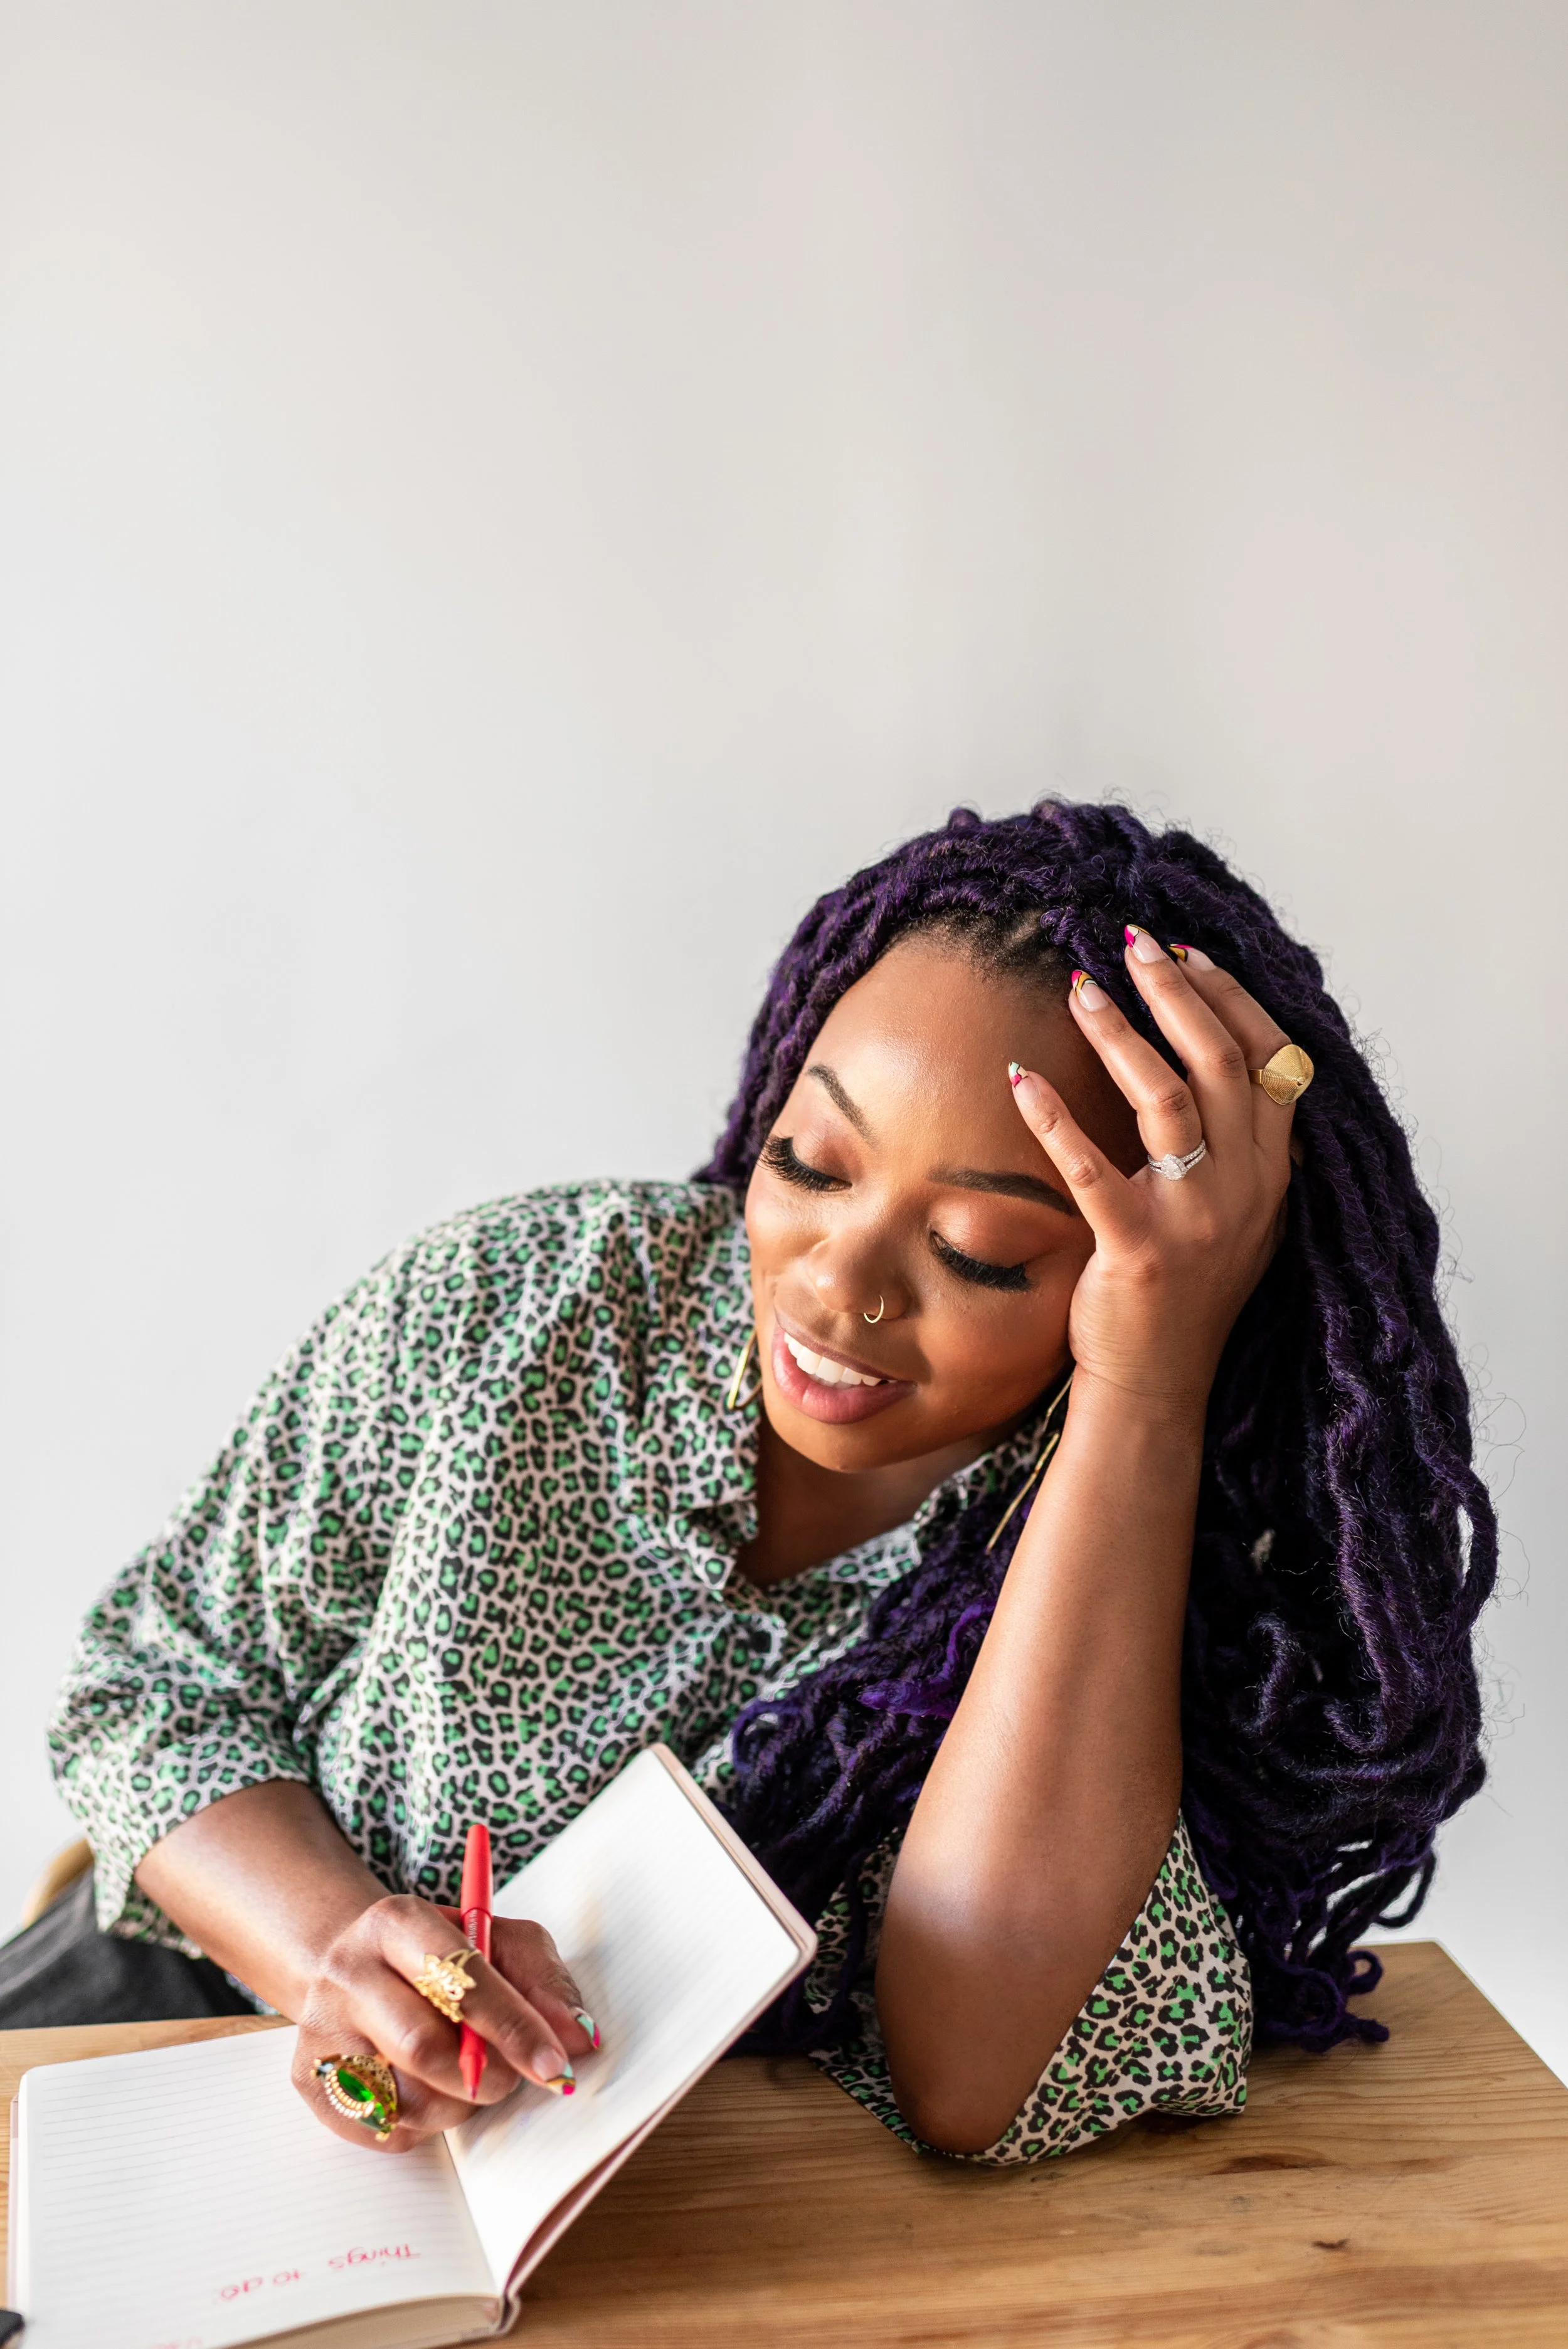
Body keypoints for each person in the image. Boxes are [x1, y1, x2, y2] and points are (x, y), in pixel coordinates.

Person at [18, 799, 1493, 2166]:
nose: (834, 1281)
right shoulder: (530, 1302)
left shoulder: (1164, 1581)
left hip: (636, 2229)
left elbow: (972, 2072)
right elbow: (157, 1673)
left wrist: (1143, 1387)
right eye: (808, 1160)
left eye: (980, 1250)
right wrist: (333, 1949)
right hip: (154, 2035)